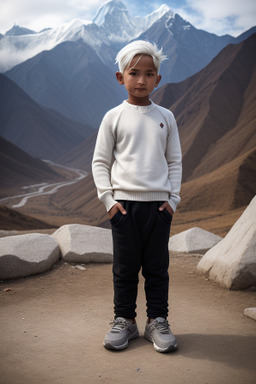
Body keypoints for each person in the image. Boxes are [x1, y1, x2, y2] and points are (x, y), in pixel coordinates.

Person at [92, 40, 182, 353]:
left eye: (149, 73)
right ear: (121, 77)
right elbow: (100, 162)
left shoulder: (166, 117)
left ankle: (157, 321)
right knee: (125, 268)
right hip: (124, 208)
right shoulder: (113, 117)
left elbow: (174, 162)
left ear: (158, 79)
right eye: (134, 72)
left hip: (159, 207)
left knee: (157, 268)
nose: (141, 80)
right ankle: (124, 321)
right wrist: (109, 202)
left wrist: (172, 202)